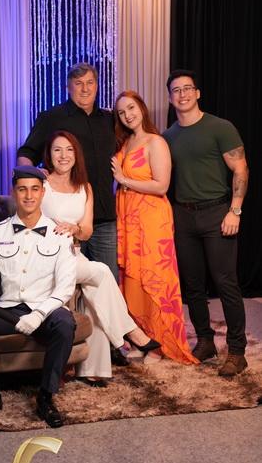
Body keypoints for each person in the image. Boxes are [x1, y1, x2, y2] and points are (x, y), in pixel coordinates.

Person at [17, 62, 128, 368]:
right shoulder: (52, 117)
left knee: (104, 284)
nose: (85, 89)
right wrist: (32, 174)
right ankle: (75, 348)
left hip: (102, 215)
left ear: (97, 85)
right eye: (78, 84)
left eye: (90, 83)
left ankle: (108, 350)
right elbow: (26, 152)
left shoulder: (109, 119)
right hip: (63, 220)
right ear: (68, 87)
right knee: (74, 287)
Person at [0, 166, 76, 428]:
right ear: (14, 193)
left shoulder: (60, 235)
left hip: (45, 311)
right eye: (22, 189)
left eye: (34, 189)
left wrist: (39, 314)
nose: (29, 196)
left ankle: (46, 396)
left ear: (43, 193)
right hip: (7, 312)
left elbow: (65, 287)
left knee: (66, 324)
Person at [41, 131, 161, 384]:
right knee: (102, 272)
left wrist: (74, 228)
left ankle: (93, 370)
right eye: (57, 150)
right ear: (49, 155)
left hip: (72, 253)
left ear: (77, 155)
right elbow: (27, 216)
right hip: (44, 256)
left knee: (94, 292)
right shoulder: (41, 183)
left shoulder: (85, 187)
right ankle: (130, 331)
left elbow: (87, 231)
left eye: (69, 150)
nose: (63, 155)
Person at [163, 69, 249, 376]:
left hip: (217, 212)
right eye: (176, 90)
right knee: (193, 285)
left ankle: (237, 351)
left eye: (188, 88)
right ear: (170, 97)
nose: (182, 94)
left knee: (226, 282)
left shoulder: (220, 127)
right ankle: (205, 341)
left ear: (197, 93)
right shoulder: (168, 136)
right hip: (183, 215)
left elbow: (241, 169)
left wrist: (235, 210)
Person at [112, 91, 198, 365]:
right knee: (133, 280)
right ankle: (144, 339)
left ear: (142, 108)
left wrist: (124, 180)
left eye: (131, 108)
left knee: (154, 279)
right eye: (122, 112)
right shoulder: (126, 142)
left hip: (151, 219)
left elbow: (161, 185)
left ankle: (162, 344)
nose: (128, 115)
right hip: (128, 218)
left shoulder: (156, 141)